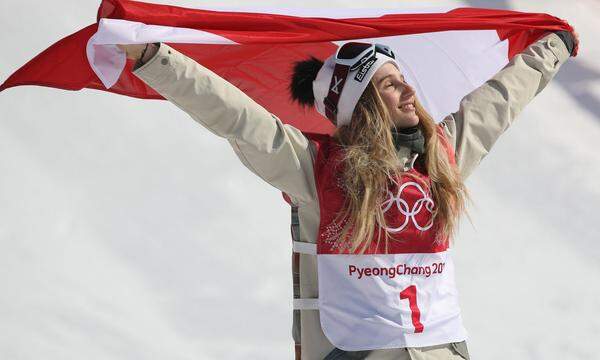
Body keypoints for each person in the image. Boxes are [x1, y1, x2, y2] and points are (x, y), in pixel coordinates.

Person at [118, 28, 578, 360]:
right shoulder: (315, 169)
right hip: (356, 351)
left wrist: (553, 48)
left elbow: (499, 101)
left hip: (440, 348)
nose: (408, 90)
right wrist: (154, 58)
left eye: (403, 79)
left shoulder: (441, 156)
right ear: (364, 106)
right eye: (390, 84)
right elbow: (236, 117)